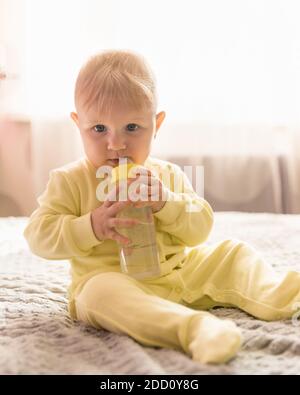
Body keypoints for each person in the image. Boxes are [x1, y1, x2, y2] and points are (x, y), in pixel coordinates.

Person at [23, 49, 300, 364]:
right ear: (78, 124)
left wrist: (166, 202)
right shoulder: (70, 180)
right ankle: (192, 329)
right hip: (116, 282)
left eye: (132, 128)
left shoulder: (166, 176)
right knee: (96, 296)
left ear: (157, 124)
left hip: (179, 274)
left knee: (232, 253)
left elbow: (200, 228)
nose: (116, 144)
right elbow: (37, 235)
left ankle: (283, 294)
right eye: (99, 129)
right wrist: (92, 225)